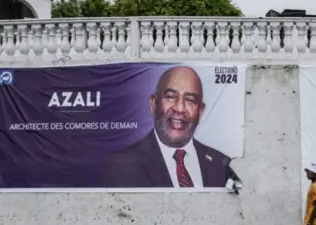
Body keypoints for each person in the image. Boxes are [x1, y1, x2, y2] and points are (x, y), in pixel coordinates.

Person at [97, 65, 238, 188]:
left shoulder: (222, 165)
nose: (180, 108)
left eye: (189, 100)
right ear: (153, 105)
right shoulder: (120, 166)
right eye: (170, 96)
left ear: (200, 111)